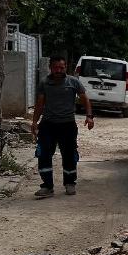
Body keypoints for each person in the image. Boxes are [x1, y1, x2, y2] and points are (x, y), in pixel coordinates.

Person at [32, 56, 95, 198]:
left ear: (65, 67)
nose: (58, 70)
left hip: (67, 125)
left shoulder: (73, 82)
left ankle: (70, 183)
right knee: (44, 155)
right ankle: (47, 187)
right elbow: (40, 104)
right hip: (48, 125)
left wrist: (89, 116)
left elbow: (85, 99)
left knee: (69, 155)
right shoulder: (44, 83)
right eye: (55, 68)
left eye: (61, 68)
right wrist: (35, 122)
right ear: (51, 68)